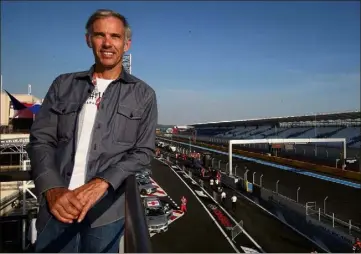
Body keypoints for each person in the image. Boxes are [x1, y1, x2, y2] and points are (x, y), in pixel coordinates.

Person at [26, 9, 157, 253]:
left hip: (106, 213)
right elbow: (40, 140)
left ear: (126, 43)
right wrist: (52, 189)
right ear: (88, 40)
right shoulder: (63, 84)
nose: (108, 43)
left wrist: (101, 183)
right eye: (100, 35)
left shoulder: (144, 95)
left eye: (115, 36)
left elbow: (143, 151)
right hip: (58, 207)